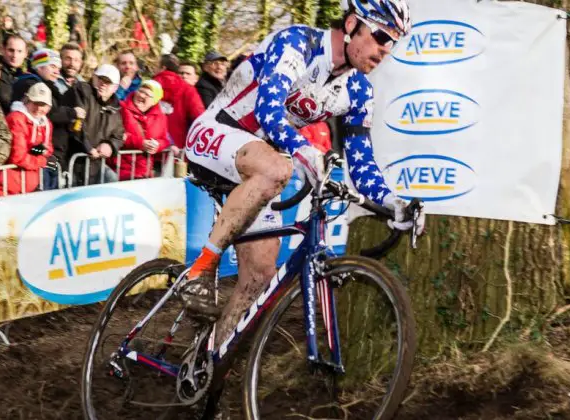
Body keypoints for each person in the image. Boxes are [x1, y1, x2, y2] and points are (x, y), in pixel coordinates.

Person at [181, 0, 422, 348]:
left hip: (259, 166)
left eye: (394, 43)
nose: (386, 50)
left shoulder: (358, 89)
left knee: (261, 273)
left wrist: (392, 202)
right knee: (280, 165)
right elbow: (267, 109)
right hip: (218, 133)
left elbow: (362, 160)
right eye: (382, 36)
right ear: (353, 23)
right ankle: (199, 270)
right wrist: (303, 149)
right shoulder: (299, 44)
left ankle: (205, 360)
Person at [11, 48, 84, 187]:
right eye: (53, 66)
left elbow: (43, 147)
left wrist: (42, 153)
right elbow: (21, 153)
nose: (57, 71)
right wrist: (72, 113)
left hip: (41, 163)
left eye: (59, 67)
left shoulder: (44, 121)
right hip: (21, 177)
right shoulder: (18, 116)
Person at [0, 82, 53, 196]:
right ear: (27, 101)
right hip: (3, 188)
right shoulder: (16, 119)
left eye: (43, 104)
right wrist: (41, 160)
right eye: (35, 103)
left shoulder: (46, 123)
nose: (38, 108)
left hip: (26, 188)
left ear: (49, 107)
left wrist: (33, 151)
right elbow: (18, 156)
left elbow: (48, 149)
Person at [66, 64, 125, 185]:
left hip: (96, 165)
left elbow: (119, 135)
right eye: (100, 79)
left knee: (112, 180)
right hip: (72, 161)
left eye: (108, 82)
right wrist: (88, 148)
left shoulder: (115, 108)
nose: (103, 84)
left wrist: (110, 146)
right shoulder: (81, 91)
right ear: (94, 77)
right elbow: (75, 124)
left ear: (115, 87)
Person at [115, 80, 169, 180]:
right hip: (122, 170)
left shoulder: (161, 117)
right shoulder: (121, 108)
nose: (141, 95)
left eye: (147, 94)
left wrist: (157, 145)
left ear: (154, 101)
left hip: (145, 173)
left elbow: (165, 140)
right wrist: (141, 143)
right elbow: (116, 134)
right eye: (140, 91)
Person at [0, 34, 28, 114]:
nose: (15, 56)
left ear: (25, 54)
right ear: (2, 50)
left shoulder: (26, 75)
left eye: (19, 51)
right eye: (11, 50)